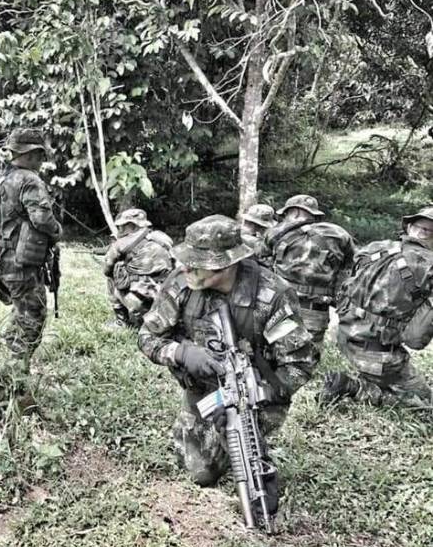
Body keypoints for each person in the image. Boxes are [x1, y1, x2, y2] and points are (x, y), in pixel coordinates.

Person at [138, 215, 317, 505]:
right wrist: (181, 352)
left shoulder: (272, 294)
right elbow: (148, 337)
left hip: (256, 393)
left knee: (243, 444)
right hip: (203, 390)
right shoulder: (182, 282)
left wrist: (257, 396)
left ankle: (257, 460)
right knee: (200, 473)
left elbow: (300, 362)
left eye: (200, 262)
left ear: (228, 263)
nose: (187, 267)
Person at [319, 208, 433, 408]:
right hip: (378, 353)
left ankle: (373, 378)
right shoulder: (429, 265)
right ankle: (354, 387)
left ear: (408, 228)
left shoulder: (375, 247)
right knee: (424, 404)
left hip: (345, 334)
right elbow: (415, 339)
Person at [0, 128, 62, 364]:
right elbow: (42, 219)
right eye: (40, 156)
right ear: (32, 154)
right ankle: (14, 375)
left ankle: (8, 346)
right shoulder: (30, 180)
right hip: (19, 264)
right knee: (33, 317)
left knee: (22, 309)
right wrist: (57, 232)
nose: (42, 161)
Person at [261, 195, 354, 344]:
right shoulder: (339, 234)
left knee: (276, 354)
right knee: (308, 359)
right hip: (316, 312)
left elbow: (262, 267)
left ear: (294, 212)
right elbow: (349, 269)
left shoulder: (275, 232)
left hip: (281, 308)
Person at [103, 208, 175, 328]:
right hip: (168, 298)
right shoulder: (162, 238)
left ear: (131, 225)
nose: (120, 229)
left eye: (122, 226)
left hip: (140, 300)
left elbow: (106, 270)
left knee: (112, 277)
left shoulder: (121, 243)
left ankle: (122, 322)